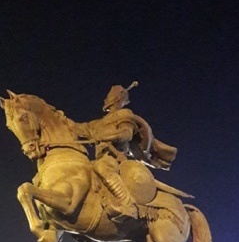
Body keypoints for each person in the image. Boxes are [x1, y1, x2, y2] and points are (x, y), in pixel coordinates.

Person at [76, 82, 178, 221]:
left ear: (116, 99)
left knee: (102, 167)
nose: (105, 99)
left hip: (115, 159)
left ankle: (126, 204)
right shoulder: (98, 124)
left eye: (108, 96)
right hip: (100, 158)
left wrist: (104, 137)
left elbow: (126, 134)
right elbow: (77, 128)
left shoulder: (124, 114)